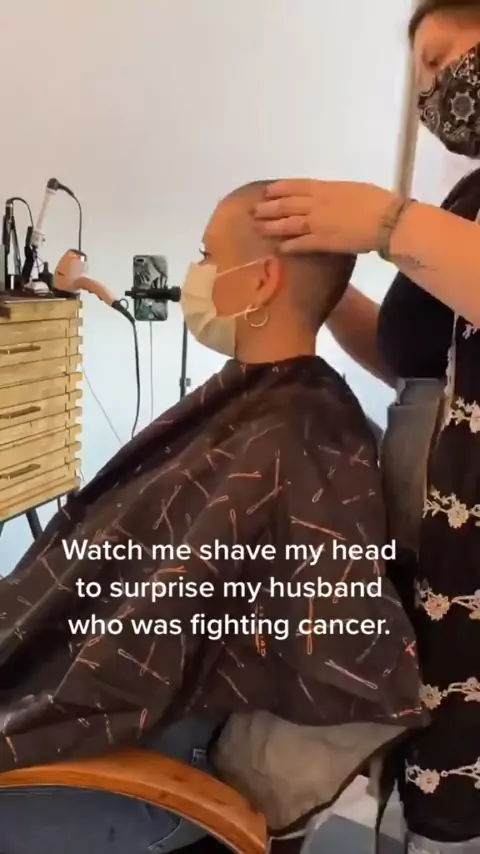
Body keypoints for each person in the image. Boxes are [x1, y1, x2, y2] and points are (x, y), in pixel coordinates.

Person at [0, 181, 425, 854]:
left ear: (260, 280)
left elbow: (136, 651)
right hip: (122, 724)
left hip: (142, 766)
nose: (195, 273)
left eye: (206, 255)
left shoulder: (291, 439)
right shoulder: (283, 417)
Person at [253, 2, 480, 852]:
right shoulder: (466, 199)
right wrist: (318, 287)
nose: (431, 88)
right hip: (430, 517)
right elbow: (416, 364)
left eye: (446, 58)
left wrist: (389, 223)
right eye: (421, 72)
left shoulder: (432, 220)